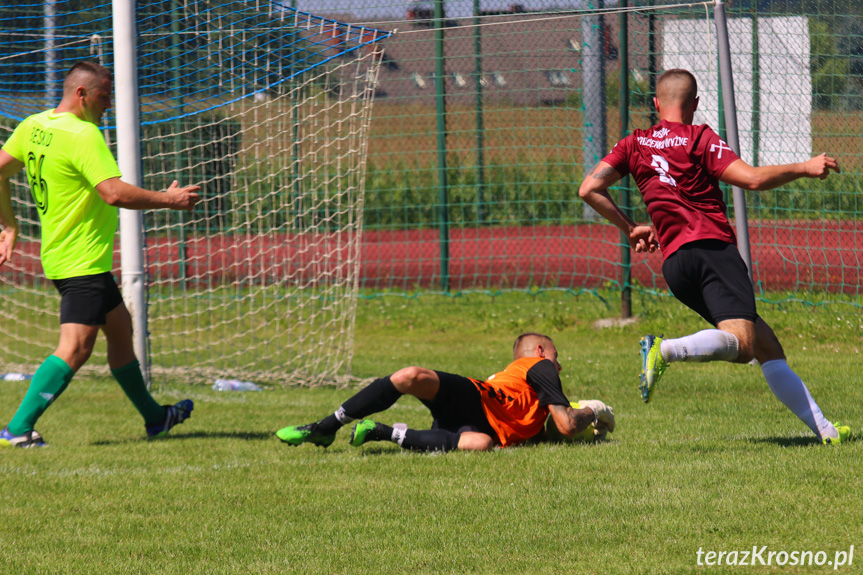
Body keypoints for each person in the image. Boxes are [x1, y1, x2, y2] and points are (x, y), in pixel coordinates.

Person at [578, 68, 850, 444]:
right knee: (742, 346)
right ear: (695, 104)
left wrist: (630, 227)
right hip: (712, 250)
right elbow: (751, 179)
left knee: (766, 345)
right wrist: (804, 167)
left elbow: (589, 188)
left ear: (656, 104)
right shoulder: (699, 136)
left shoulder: (634, 143)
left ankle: (827, 432)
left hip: (675, 266)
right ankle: (666, 350)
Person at [0, 61, 202, 447]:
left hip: (68, 256)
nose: (108, 104)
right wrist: (169, 199)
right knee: (76, 347)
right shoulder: (83, 135)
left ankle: (157, 418)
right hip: (80, 260)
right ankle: (18, 428)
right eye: (104, 96)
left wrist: (9, 226)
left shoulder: (34, 125)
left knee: (121, 335)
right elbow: (113, 192)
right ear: (81, 94)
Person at [276, 332, 615, 451]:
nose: (561, 365)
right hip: (475, 396)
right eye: (558, 357)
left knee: (478, 444)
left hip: (486, 429)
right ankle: (325, 428)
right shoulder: (538, 367)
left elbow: (549, 434)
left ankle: (381, 433)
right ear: (541, 351)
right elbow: (567, 425)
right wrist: (595, 410)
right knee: (410, 375)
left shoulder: (533, 395)